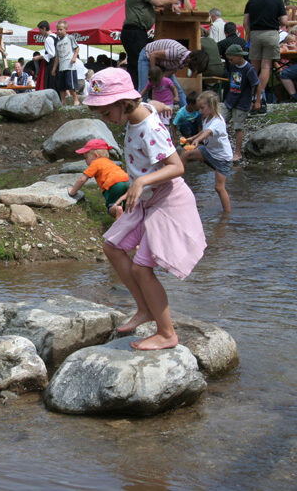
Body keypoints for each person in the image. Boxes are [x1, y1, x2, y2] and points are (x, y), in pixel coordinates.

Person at [83, 67, 206, 350]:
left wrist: (141, 183)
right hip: (144, 196)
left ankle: (167, 333)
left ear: (125, 104)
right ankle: (145, 308)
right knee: (112, 246)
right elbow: (157, 105)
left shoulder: (149, 128)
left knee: (142, 268)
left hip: (166, 199)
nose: (106, 120)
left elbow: (177, 167)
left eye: (106, 113)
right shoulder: (142, 110)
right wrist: (130, 190)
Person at [121, 0, 178, 89]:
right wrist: (172, 0)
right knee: (139, 63)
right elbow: (157, 2)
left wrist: (167, 5)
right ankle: (138, 91)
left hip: (135, 31)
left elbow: (155, 5)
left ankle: (135, 90)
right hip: (135, 31)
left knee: (135, 63)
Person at [181, 91, 233, 212]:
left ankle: (227, 214)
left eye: (202, 108)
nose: (200, 111)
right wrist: (192, 138)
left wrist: (198, 140)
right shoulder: (207, 119)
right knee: (186, 153)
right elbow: (204, 130)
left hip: (222, 159)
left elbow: (207, 132)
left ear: (211, 106)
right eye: (199, 108)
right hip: (209, 152)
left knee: (219, 188)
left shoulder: (218, 121)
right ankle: (176, 178)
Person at [244, 0, 288, 114]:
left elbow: (246, 23)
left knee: (253, 67)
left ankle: (249, 98)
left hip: (256, 34)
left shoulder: (252, 1)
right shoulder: (278, 1)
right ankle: (258, 100)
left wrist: (249, 36)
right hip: (270, 34)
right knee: (266, 67)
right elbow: (284, 21)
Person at [67, 138, 129, 220]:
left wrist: (72, 192)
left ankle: (116, 210)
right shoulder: (109, 162)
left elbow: (82, 179)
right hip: (128, 182)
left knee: (112, 205)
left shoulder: (95, 163)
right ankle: (129, 217)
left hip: (114, 185)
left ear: (95, 156)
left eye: (86, 157)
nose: (85, 161)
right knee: (128, 204)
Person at [138, 38, 209, 107]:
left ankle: (186, 112)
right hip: (147, 56)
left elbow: (171, 72)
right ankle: (140, 113)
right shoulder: (177, 52)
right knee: (144, 87)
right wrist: (154, 73)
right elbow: (153, 55)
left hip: (161, 63)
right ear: (194, 61)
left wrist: (162, 79)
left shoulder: (185, 62)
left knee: (178, 89)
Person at [221, 44, 259, 161]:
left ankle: (238, 152)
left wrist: (256, 101)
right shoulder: (233, 66)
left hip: (242, 103)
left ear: (239, 56)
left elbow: (256, 85)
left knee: (238, 127)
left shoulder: (249, 69)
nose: (230, 61)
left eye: (231, 59)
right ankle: (220, 149)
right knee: (220, 121)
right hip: (230, 100)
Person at [52, 20, 80, 105]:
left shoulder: (70, 38)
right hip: (61, 66)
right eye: (57, 30)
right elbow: (57, 56)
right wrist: (54, 68)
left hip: (69, 65)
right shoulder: (57, 42)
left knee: (70, 84)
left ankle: (76, 99)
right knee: (61, 86)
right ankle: (63, 101)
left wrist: (74, 57)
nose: (59, 31)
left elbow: (77, 48)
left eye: (61, 29)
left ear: (65, 29)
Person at [36, 20, 58, 91]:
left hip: (51, 65)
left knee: (49, 85)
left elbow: (52, 54)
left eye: (40, 30)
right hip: (57, 63)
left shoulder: (48, 39)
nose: (40, 32)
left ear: (44, 28)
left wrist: (39, 57)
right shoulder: (56, 36)